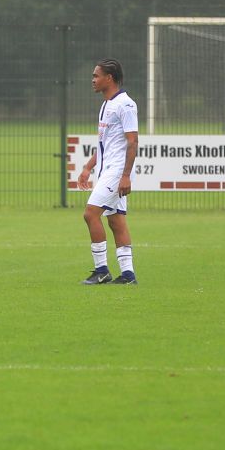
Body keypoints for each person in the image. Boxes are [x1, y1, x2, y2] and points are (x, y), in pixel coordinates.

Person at [76, 58, 139, 285]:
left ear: (109, 78)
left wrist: (125, 176)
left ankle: (101, 271)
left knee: (90, 214)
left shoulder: (125, 104)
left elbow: (132, 142)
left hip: (116, 172)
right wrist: (88, 167)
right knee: (116, 221)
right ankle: (128, 275)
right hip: (107, 171)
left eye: (96, 76)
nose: (92, 80)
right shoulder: (106, 104)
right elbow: (105, 143)